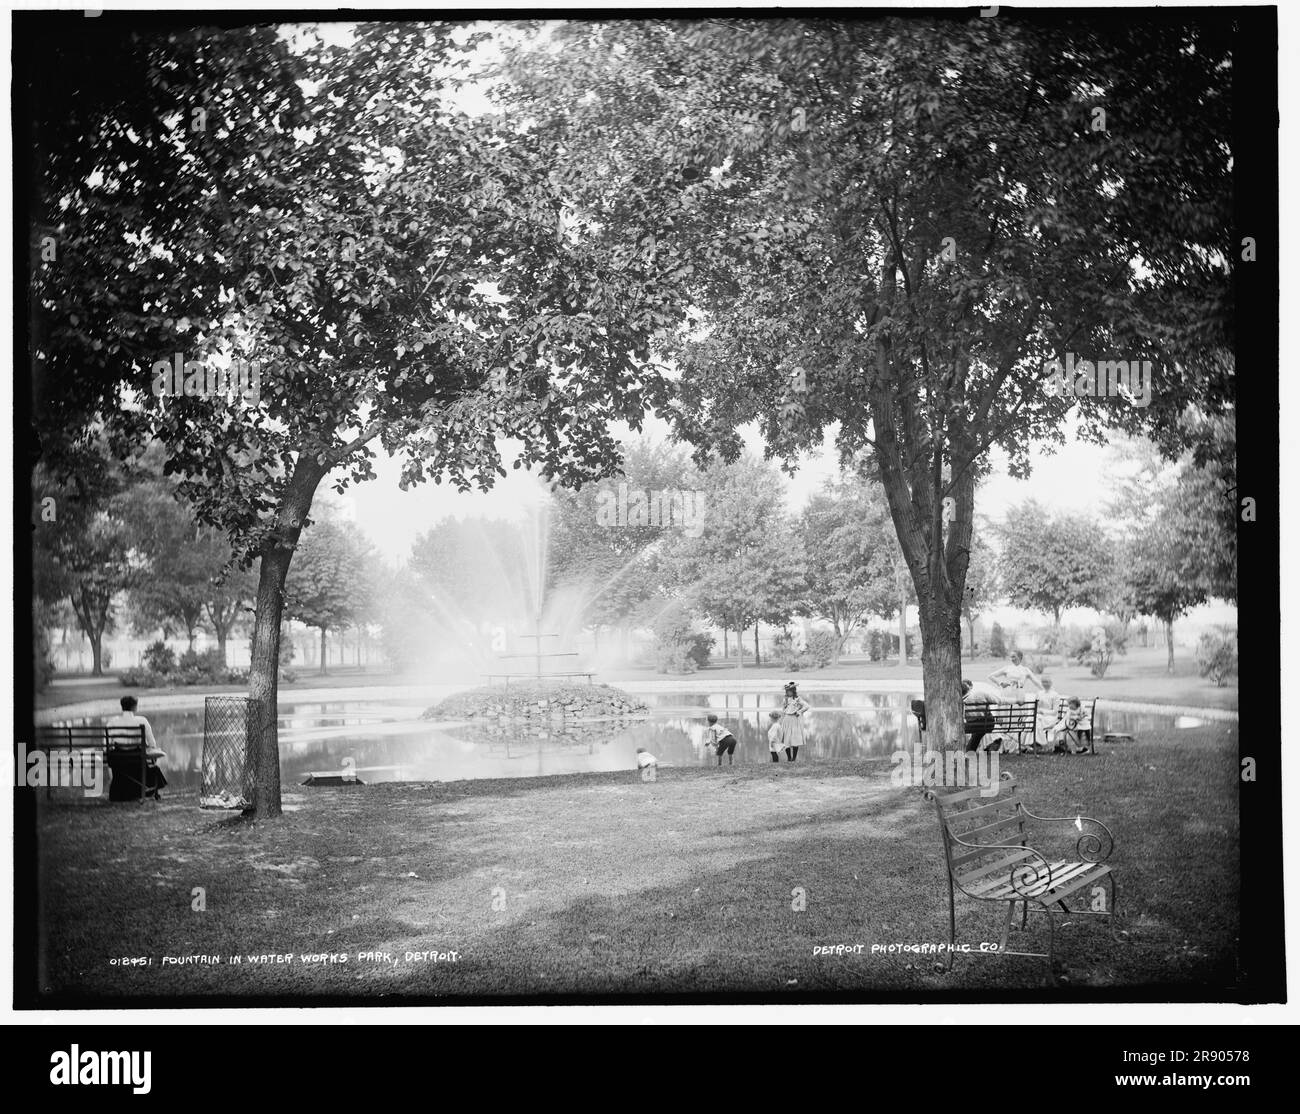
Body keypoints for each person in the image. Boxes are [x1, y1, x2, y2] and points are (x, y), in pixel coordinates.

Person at [105, 695, 168, 799]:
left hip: (118, 760)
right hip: (137, 760)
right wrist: (152, 750)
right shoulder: (142, 720)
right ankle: (146, 790)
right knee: (152, 767)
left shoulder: (112, 722)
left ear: (122, 707)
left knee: (127, 766)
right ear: (135, 707)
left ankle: (124, 791)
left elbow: (106, 744)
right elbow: (152, 743)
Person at [961, 680, 998, 753]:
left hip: (975, 726)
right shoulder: (979, 695)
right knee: (978, 733)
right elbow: (995, 701)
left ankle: (969, 751)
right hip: (988, 724)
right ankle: (970, 751)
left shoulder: (963, 702)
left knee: (976, 732)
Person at [779, 682, 811, 762]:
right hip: (786, 720)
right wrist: (785, 701)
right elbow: (783, 710)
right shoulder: (785, 699)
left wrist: (799, 712)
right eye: (786, 691)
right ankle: (789, 758)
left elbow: (807, 706)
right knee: (786, 739)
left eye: (788, 691)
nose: (786, 693)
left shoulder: (798, 699)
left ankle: (794, 758)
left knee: (795, 739)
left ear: (793, 691)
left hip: (794, 720)